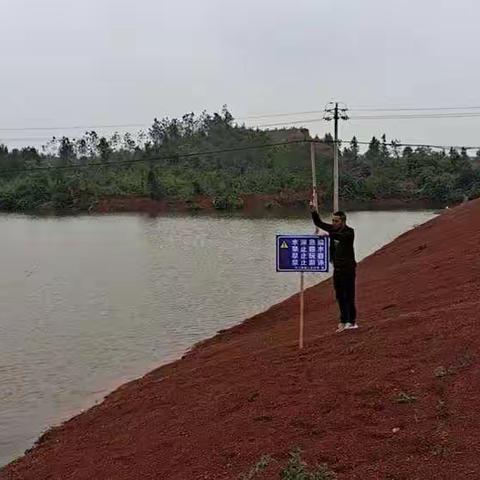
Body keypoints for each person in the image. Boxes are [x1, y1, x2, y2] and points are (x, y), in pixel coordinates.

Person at [309, 198, 358, 332]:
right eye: (333, 221)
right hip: (337, 269)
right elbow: (318, 223)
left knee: (349, 295)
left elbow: (339, 237)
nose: (334, 223)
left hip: (348, 269)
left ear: (343, 221)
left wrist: (327, 235)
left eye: (336, 221)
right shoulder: (332, 230)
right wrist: (313, 211)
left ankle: (352, 322)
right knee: (339, 296)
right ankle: (343, 321)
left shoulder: (349, 232)